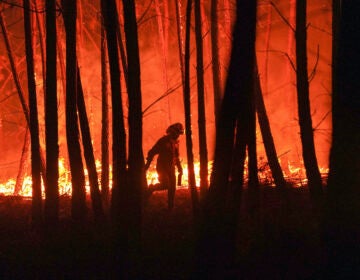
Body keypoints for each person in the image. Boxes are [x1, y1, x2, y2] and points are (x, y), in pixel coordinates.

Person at [144, 123, 184, 209]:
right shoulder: (163, 141)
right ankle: (151, 188)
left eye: (179, 134)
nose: (178, 135)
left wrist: (180, 168)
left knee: (172, 188)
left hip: (171, 168)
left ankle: (170, 208)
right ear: (172, 131)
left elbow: (176, 157)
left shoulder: (175, 143)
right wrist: (147, 165)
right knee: (166, 184)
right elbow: (152, 152)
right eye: (177, 133)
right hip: (162, 167)